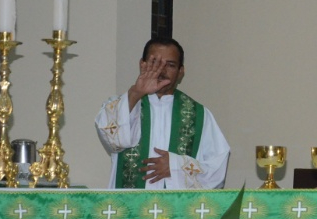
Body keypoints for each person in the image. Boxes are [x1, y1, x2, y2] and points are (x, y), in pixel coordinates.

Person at [95, 37, 231, 189]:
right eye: (155, 63)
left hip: (178, 210)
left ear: (181, 72)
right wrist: (135, 93)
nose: (161, 70)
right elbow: (112, 141)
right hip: (130, 209)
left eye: (170, 65)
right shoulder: (123, 105)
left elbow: (217, 171)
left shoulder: (199, 115)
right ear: (142, 64)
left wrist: (176, 166)